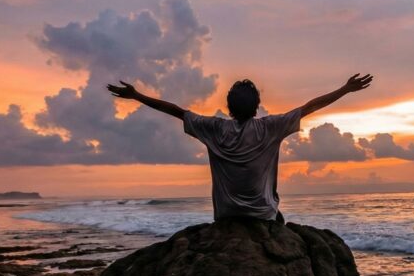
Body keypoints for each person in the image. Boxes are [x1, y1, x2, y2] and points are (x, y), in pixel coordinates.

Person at [106, 73, 373, 222]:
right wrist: (345, 89)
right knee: (282, 223)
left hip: (226, 216)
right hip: (262, 215)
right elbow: (310, 107)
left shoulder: (214, 128)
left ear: (229, 106)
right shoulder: (270, 127)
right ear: (257, 106)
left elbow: (175, 110)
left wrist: (137, 95)